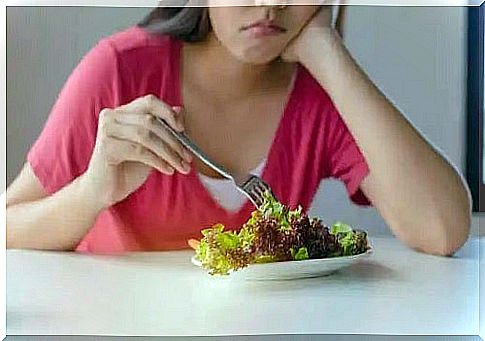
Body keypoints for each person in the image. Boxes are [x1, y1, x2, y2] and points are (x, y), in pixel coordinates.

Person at [6, 2, 471, 255]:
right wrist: (93, 191)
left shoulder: (321, 96)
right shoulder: (120, 70)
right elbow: (7, 225)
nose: (270, 5)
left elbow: (443, 231)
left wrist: (326, 51)